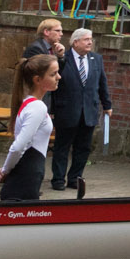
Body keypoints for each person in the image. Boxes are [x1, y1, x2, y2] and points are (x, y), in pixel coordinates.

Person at [0, 52, 58, 259]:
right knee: (11, 252)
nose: (58, 77)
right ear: (37, 79)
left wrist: (6, 170)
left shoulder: (30, 105)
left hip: (26, 179)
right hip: (24, 183)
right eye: (53, 74)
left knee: (13, 251)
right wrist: (5, 170)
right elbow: (18, 146)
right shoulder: (37, 108)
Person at [49, 27, 110, 197]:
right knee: (62, 147)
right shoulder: (63, 58)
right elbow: (55, 78)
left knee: (83, 148)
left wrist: (107, 104)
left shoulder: (96, 59)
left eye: (91, 39)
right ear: (75, 42)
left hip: (89, 110)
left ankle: (75, 177)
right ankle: (58, 179)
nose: (90, 42)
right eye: (86, 39)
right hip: (67, 109)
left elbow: (102, 82)